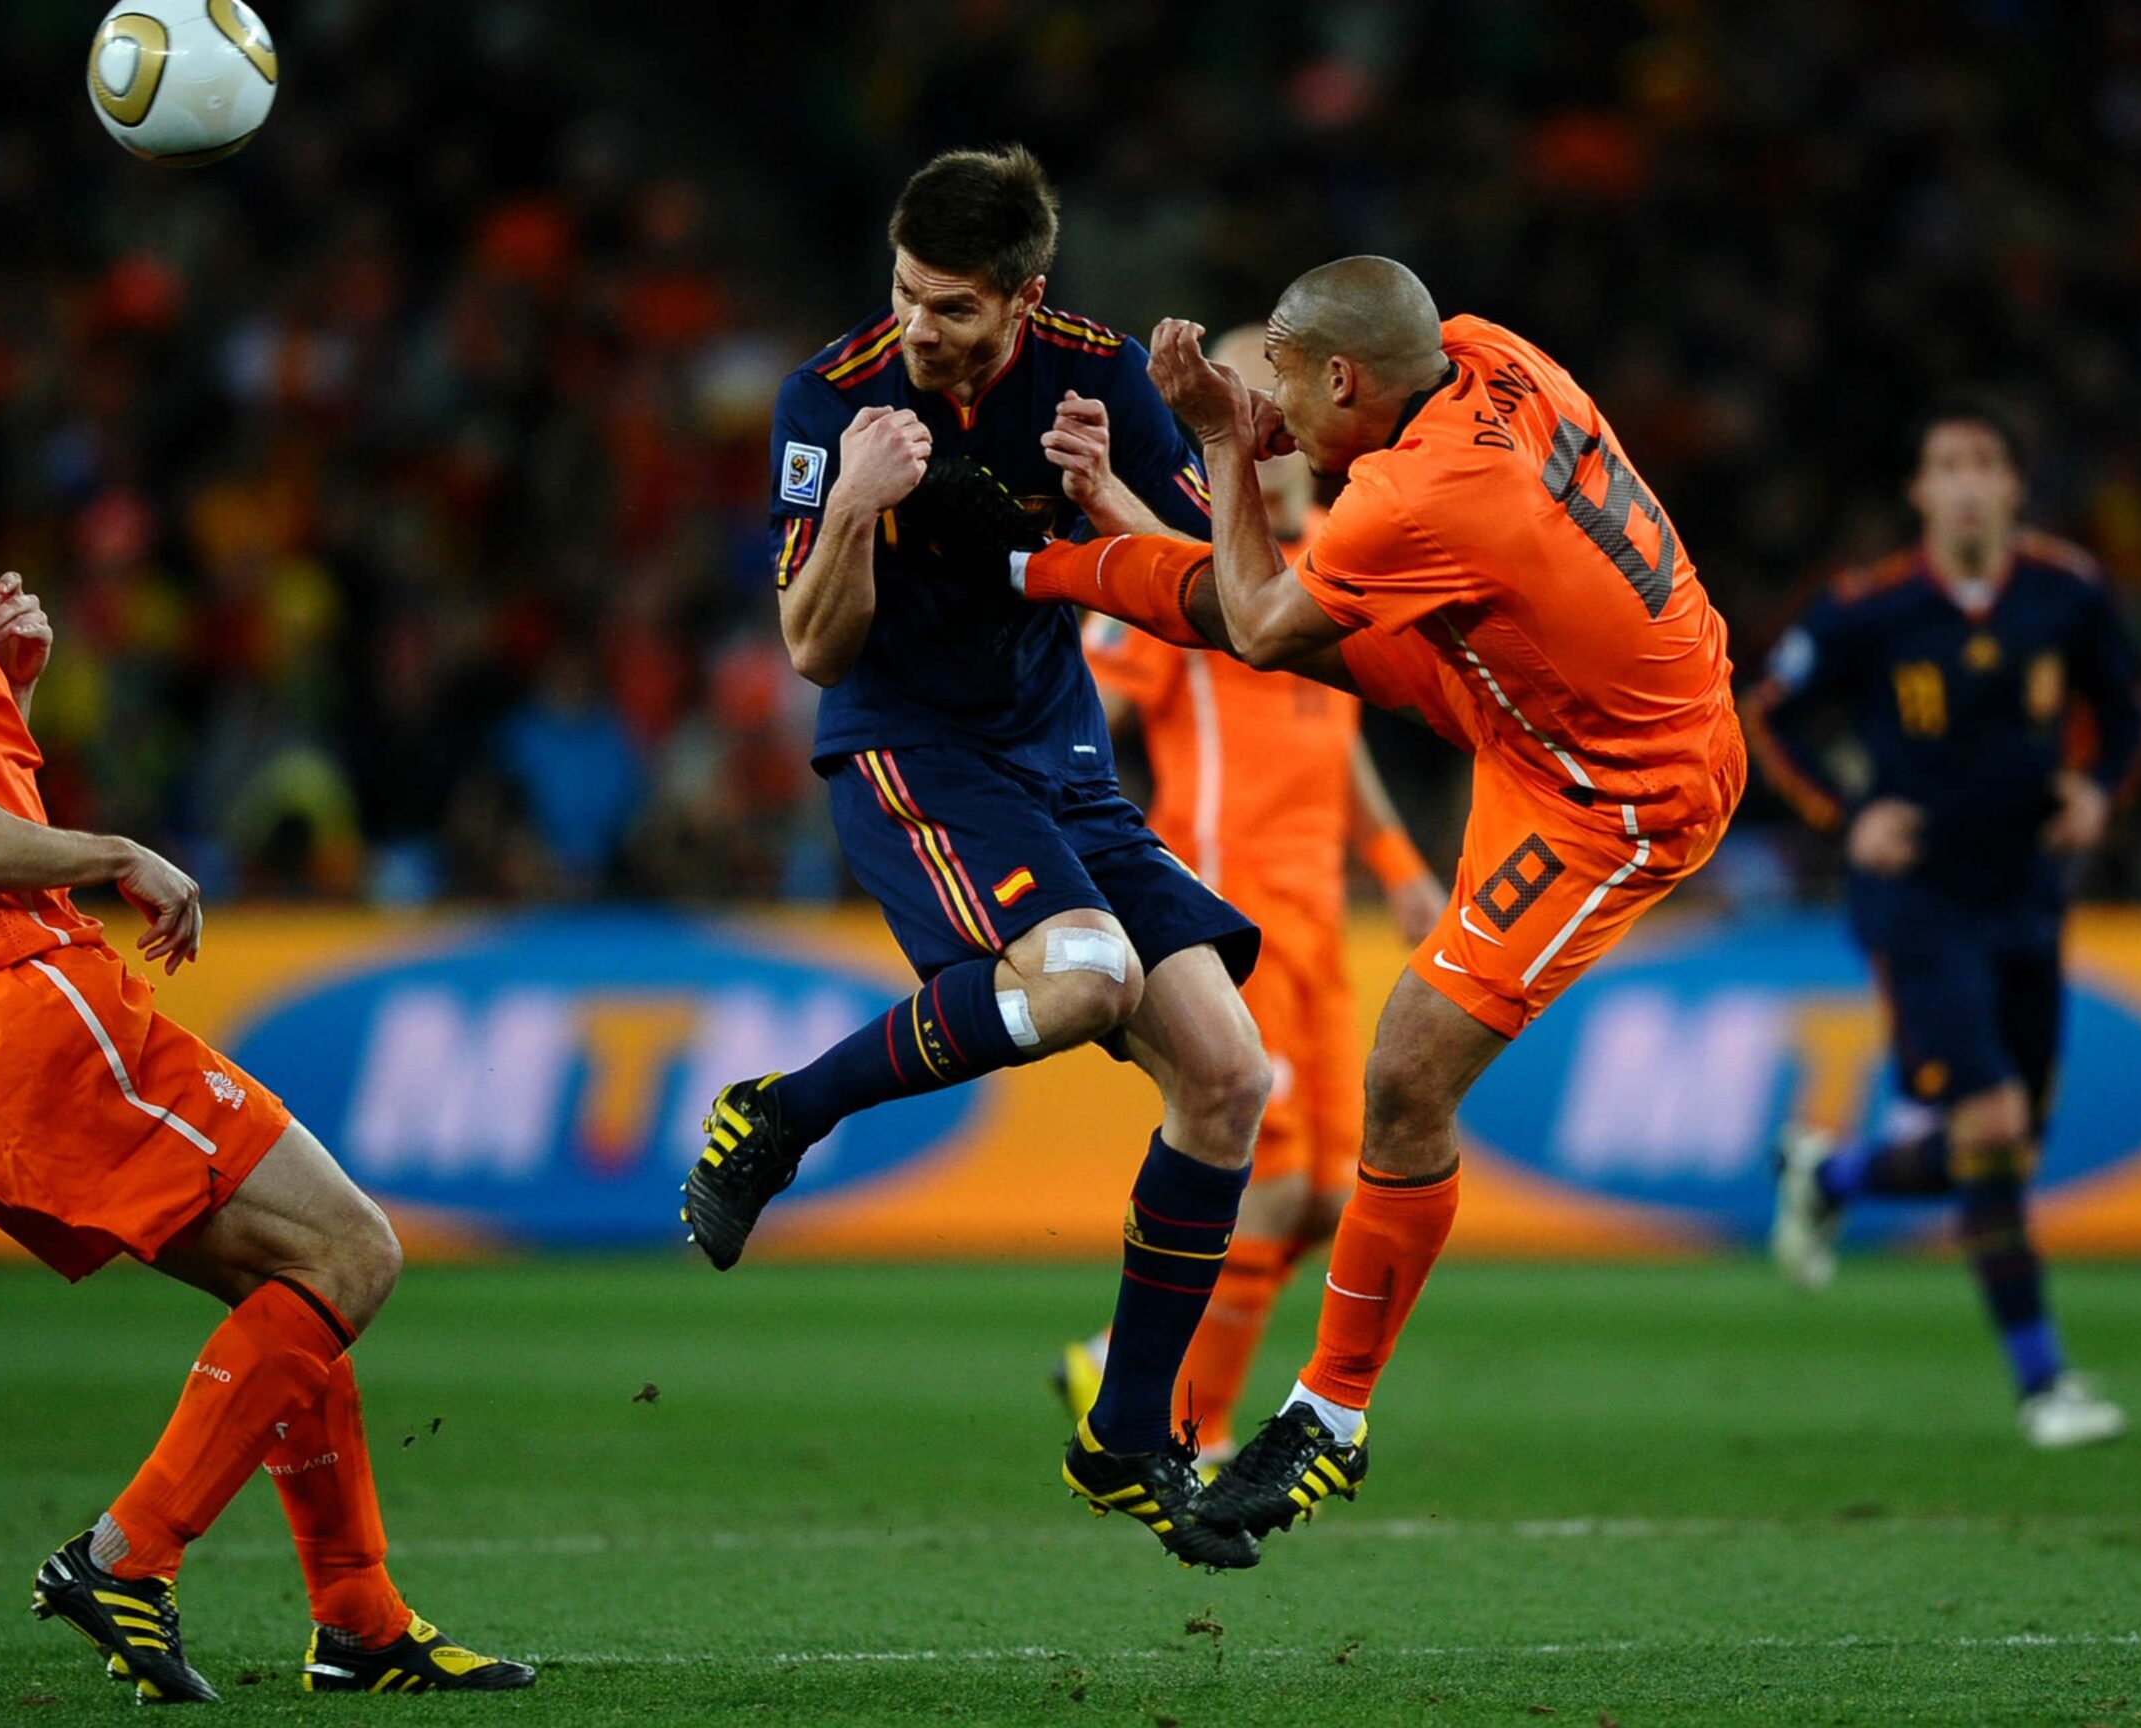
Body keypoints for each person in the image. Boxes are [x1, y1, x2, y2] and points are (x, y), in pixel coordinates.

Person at [0, 318, 531, 1701]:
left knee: (291, 1285)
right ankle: (125, 1556)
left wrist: (2, 691)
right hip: (17, 998)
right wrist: (118, 851)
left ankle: (358, 1620)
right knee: (352, 1254)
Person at [1004, 256, 1745, 1543]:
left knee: (1404, 1079)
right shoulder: (1481, 347)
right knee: (1311, 1163)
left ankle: (1328, 1415)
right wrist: (1131, 507)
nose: (1274, 405)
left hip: (1620, 791)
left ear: (1345, 376)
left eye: (1286, 382)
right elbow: (1272, 618)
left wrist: (1220, 437)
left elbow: (1257, 622)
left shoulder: (1421, 494)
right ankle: (1029, 566)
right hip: (1532, 706)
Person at [678, 147, 1275, 1570]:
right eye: (904, 293)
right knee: (1084, 976)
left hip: (1058, 753)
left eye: (950, 307)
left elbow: (1215, 598)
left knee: (1230, 1080)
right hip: (912, 744)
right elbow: (813, 649)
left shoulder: (1097, 373)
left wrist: (1113, 495)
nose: (917, 328)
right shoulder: (830, 398)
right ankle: (782, 1115)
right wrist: (853, 504)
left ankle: (1125, 1436)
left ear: (1022, 297)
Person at [1052, 324, 1446, 1466]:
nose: (1263, 419)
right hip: (1232, 908)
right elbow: (1084, 711)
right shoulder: (1189, 567)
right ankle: (1189, 1428)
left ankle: (1117, 1362)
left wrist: (1398, 864)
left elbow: (1337, 729)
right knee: (1270, 1185)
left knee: (1322, 1196)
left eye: (1271, 393)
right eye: (1238, 397)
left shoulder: (1334, 552)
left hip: (1319, 913)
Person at [1750, 394, 2141, 1449]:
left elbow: (2130, 710)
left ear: (2015, 486)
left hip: (2027, 896)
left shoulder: (2066, 591)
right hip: (1919, 901)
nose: (1968, 483)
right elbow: (1769, 715)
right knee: (1992, 1127)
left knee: (2002, 1152)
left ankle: (1828, 1174)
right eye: (1948, 465)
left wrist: (2098, 790)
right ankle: (2043, 1386)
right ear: (1919, 491)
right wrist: (1848, 816)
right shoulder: (1869, 607)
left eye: (1985, 463)